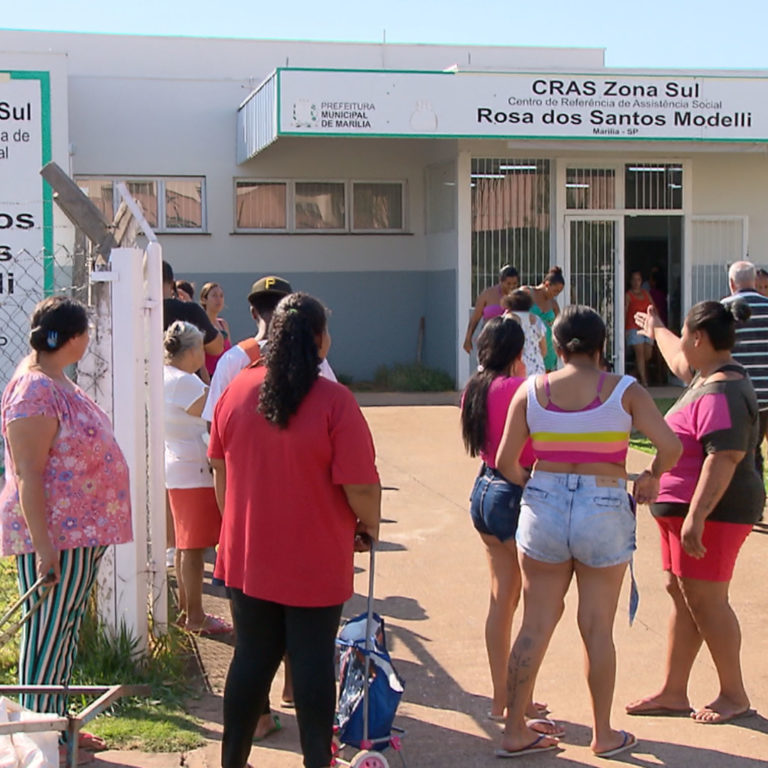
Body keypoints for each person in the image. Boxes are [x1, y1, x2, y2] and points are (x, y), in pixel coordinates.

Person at [494, 305, 681, 759]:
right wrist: (651, 475)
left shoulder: (532, 391)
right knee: (596, 627)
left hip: (545, 503)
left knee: (534, 622)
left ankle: (515, 729)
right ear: (602, 348)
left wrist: (541, 487)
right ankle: (603, 734)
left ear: (555, 348)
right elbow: (670, 446)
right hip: (605, 501)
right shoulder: (626, 391)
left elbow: (504, 462)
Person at [209, 293, 381, 768]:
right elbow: (362, 485)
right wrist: (368, 526)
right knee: (310, 662)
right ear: (319, 340)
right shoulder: (334, 402)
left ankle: (233, 761)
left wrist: (236, 529)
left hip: (248, 555)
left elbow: (219, 472)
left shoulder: (236, 391)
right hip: (316, 554)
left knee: (251, 658)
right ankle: (315, 762)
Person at [0, 296, 133, 756]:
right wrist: (43, 547)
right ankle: (33, 740)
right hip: (57, 537)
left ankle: (54, 727)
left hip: (82, 535)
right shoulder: (32, 390)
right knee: (45, 636)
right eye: (86, 333)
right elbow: (27, 473)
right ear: (73, 338)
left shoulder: (53, 379)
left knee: (65, 629)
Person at [627, 300, 764, 724]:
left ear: (700, 338)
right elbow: (676, 356)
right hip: (683, 511)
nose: (682, 344)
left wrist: (696, 517)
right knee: (684, 599)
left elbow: (723, 457)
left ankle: (733, 694)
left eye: (686, 335)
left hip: (714, 514)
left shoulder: (723, 388)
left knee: (707, 602)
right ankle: (673, 691)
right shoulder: (707, 375)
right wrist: (657, 328)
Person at [460, 316, 560, 737]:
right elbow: (536, 446)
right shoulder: (522, 390)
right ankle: (519, 697)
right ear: (520, 352)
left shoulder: (474, 389)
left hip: (483, 490)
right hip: (514, 489)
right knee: (536, 605)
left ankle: (502, 695)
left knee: (502, 599)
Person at [163, 321, 231, 635]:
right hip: (193, 469)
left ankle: (186, 611)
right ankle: (196, 616)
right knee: (192, 548)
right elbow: (218, 413)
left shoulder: (168, 377)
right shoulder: (185, 383)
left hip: (179, 467)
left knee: (183, 546)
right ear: (191, 350)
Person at [202, 276, 336, 423]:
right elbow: (334, 406)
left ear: (253, 313)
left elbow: (212, 421)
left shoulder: (231, 359)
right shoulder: (309, 357)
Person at [721, 261, 768, 477]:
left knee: (745, 454)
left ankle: (753, 504)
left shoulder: (722, 310)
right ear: (755, 281)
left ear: (732, 283)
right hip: (766, 394)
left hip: (738, 393)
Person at [463, 265, 519, 354]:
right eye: (508, 283)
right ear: (501, 281)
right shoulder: (487, 294)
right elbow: (475, 318)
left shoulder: (520, 297)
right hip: (489, 341)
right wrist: (468, 338)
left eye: (515, 284)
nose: (511, 287)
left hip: (510, 343)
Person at [524, 266, 565, 372]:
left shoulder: (553, 304)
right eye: (555, 290)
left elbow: (560, 328)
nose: (556, 295)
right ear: (547, 284)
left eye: (559, 292)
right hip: (529, 347)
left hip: (549, 351)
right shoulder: (527, 293)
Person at [501, 289, 547, 377]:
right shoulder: (537, 319)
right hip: (537, 367)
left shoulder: (508, 319)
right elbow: (544, 350)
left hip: (515, 368)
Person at [625, 269, 656, 387]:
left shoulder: (646, 293)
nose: (636, 282)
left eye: (638, 279)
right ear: (630, 281)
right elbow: (625, 311)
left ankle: (633, 374)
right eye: (634, 279)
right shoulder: (628, 295)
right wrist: (624, 329)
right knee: (640, 354)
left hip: (647, 326)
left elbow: (653, 307)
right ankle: (644, 382)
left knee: (648, 354)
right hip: (633, 327)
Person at [199, 282, 233, 376]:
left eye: (221, 296)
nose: (219, 299)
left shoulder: (223, 324)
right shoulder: (201, 324)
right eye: (214, 295)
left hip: (225, 376)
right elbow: (200, 360)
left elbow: (229, 352)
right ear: (204, 299)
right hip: (210, 376)